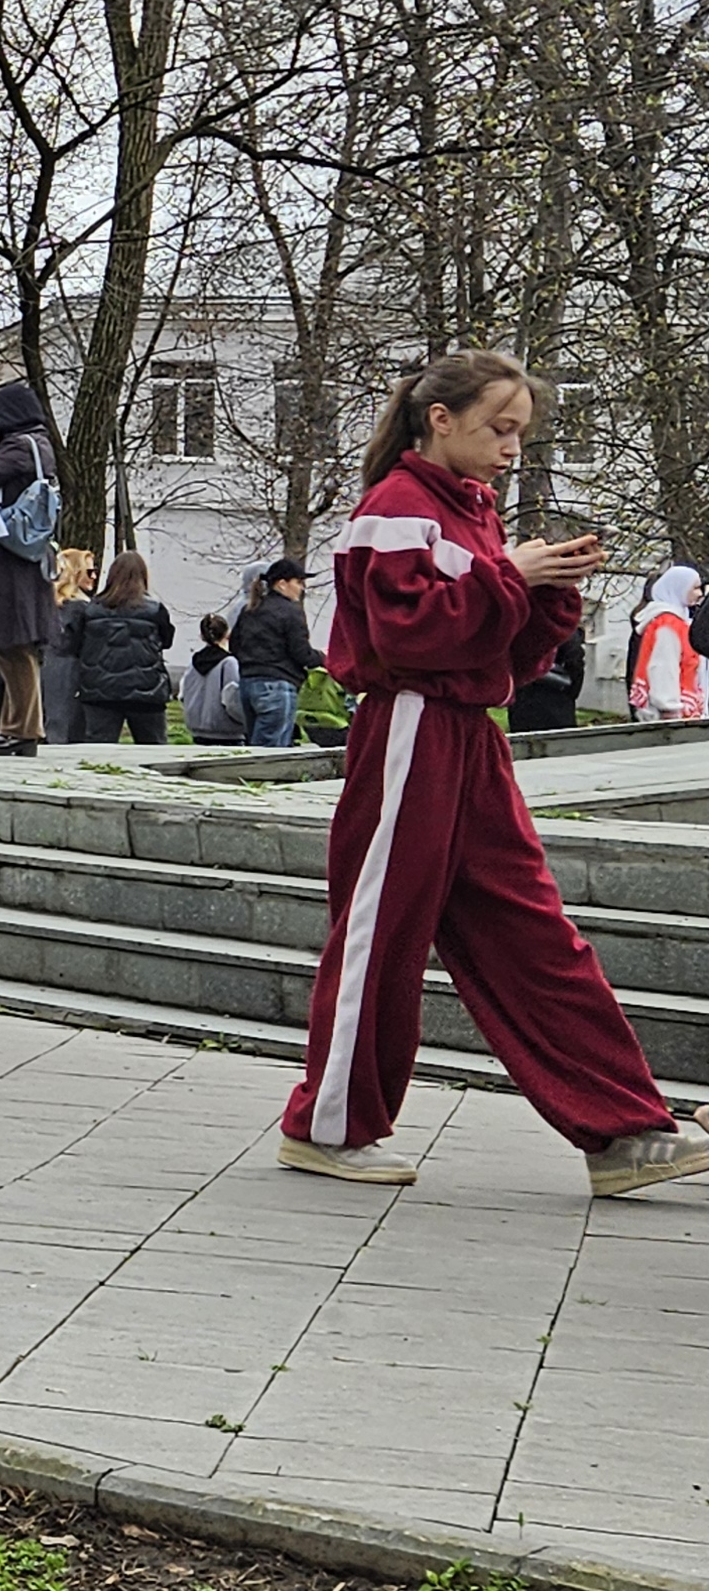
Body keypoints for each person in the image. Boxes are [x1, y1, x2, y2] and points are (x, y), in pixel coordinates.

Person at [274, 352, 709, 1197]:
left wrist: (547, 591)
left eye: (519, 432)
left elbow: (499, 648)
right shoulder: (397, 508)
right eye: (498, 428)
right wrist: (516, 576)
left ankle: (622, 1127)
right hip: (410, 729)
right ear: (442, 419)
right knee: (381, 931)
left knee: (530, 926)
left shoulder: (466, 513)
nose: (512, 447)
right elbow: (410, 641)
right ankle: (329, 1125)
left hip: (465, 734)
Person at [0, 382, 61, 755]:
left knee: (13, 645)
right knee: (12, 646)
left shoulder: (19, 447)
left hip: (9, 559)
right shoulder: (36, 444)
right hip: (23, 557)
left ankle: (23, 731)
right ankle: (15, 728)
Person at [61, 553, 176, 747]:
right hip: (147, 691)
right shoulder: (155, 610)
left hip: (100, 691)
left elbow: (74, 646)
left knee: (98, 752)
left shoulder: (90, 611)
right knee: (154, 749)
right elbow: (167, 641)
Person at [233, 557, 317, 748]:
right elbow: (302, 653)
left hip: (248, 685)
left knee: (255, 748)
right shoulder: (291, 612)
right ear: (282, 584)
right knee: (273, 753)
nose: (302, 588)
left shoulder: (250, 610)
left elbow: (235, 647)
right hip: (277, 686)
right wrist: (325, 658)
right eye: (298, 582)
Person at [630, 565, 702, 722]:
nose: (700, 594)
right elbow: (663, 666)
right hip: (673, 715)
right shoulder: (669, 624)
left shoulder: (676, 621)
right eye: (695, 588)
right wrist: (669, 707)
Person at [43, 544, 99, 744]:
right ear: (76, 573)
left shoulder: (49, 604)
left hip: (45, 667)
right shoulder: (81, 609)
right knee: (65, 727)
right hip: (69, 672)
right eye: (89, 571)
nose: (94, 576)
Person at [183, 613, 248, 745]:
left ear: (202, 636)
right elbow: (232, 700)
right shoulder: (229, 663)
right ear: (227, 634)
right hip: (227, 731)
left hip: (197, 729)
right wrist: (247, 721)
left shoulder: (194, 663)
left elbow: (183, 694)